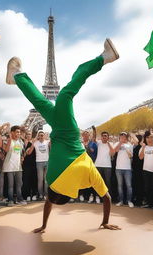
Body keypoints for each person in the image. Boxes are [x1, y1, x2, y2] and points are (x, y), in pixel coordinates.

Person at [6, 38, 121, 232]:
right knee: (48, 99)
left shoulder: (88, 176)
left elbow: (107, 198)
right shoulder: (52, 180)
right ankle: (16, 76)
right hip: (61, 130)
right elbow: (49, 201)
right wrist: (43, 225)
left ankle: (104, 58)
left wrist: (104, 221)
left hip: (66, 130)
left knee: (62, 95)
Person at [2, 125, 26, 206]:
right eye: (17, 132)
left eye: (19, 132)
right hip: (9, 166)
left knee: (19, 184)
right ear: (12, 132)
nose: (18, 133)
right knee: (10, 185)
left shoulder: (20, 141)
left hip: (18, 166)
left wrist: (22, 157)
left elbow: (21, 152)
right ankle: (10, 200)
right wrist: (10, 138)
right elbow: (6, 150)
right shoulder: (9, 140)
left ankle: (20, 199)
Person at [27, 130, 50, 200]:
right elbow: (29, 152)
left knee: (46, 180)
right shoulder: (35, 143)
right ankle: (40, 194)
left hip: (47, 162)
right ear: (38, 136)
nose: (41, 136)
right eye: (40, 135)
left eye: (42, 135)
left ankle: (46, 194)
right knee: (40, 180)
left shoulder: (47, 142)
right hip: (39, 162)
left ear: (44, 136)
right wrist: (33, 143)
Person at [114, 132, 134, 208]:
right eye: (121, 136)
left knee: (129, 186)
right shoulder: (117, 144)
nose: (122, 137)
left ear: (126, 137)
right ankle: (121, 201)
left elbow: (131, 156)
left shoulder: (130, 145)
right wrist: (120, 143)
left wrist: (127, 149)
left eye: (124, 136)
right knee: (120, 186)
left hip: (127, 169)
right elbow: (115, 150)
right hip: (118, 168)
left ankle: (129, 201)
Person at [22, 130, 38, 201]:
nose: (28, 135)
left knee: (34, 179)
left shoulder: (35, 142)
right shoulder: (23, 143)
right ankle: (27, 195)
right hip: (26, 164)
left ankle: (34, 194)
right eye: (27, 134)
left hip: (34, 163)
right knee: (26, 180)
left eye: (30, 134)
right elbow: (27, 153)